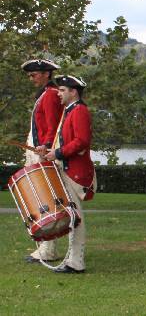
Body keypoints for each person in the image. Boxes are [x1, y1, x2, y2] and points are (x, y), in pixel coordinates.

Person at [44, 75, 97, 273]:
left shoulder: (79, 110)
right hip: (68, 169)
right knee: (71, 216)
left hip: (74, 173)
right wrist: (49, 149)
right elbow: (65, 140)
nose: (58, 93)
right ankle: (72, 259)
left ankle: (76, 263)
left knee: (75, 217)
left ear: (73, 92)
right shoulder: (70, 111)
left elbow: (81, 141)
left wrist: (57, 153)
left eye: (62, 90)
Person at [21, 58, 64, 264]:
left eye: (34, 74)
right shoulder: (45, 94)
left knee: (45, 199)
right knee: (39, 198)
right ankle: (44, 247)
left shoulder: (51, 95)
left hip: (42, 151)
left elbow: (53, 125)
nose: (31, 79)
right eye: (29, 76)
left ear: (47, 73)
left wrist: (46, 145)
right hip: (38, 149)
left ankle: (48, 249)